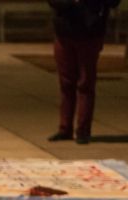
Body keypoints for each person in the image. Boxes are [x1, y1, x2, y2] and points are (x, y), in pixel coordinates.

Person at [47, 0, 120, 145]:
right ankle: (65, 128)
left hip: (89, 33)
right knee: (66, 83)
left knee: (85, 83)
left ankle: (83, 130)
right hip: (65, 31)